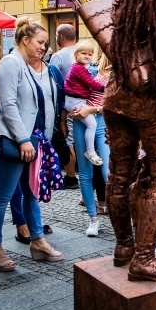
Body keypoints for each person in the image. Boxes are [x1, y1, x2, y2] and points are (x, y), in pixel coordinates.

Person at [0, 16, 65, 271]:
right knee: (2, 196)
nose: (44, 47)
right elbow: (7, 105)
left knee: (30, 194)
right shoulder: (10, 63)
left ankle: (38, 241)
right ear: (25, 39)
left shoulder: (29, 66)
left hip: (30, 140)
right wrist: (22, 139)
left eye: (46, 44)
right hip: (11, 139)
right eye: (40, 42)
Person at [69, 52, 112, 236]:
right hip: (82, 120)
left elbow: (117, 106)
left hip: (101, 122)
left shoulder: (123, 74)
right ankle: (93, 218)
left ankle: (124, 217)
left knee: (107, 172)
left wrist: (91, 109)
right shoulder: (92, 70)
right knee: (85, 173)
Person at [63, 40, 104, 167]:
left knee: (90, 124)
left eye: (90, 54)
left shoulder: (80, 68)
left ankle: (90, 151)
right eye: (83, 53)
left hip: (75, 101)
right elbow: (91, 84)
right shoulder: (79, 69)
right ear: (76, 55)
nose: (87, 56)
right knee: (92, 124)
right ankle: (90, 151)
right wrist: (105, 88)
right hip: (75, 101)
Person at [48, 23, 79, 190]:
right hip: (85, 105)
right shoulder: (83, 52)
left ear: (60, 37)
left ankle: (71, 177)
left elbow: (53, 84)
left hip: (66, 105)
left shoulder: (58, 57)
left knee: (68, 140)